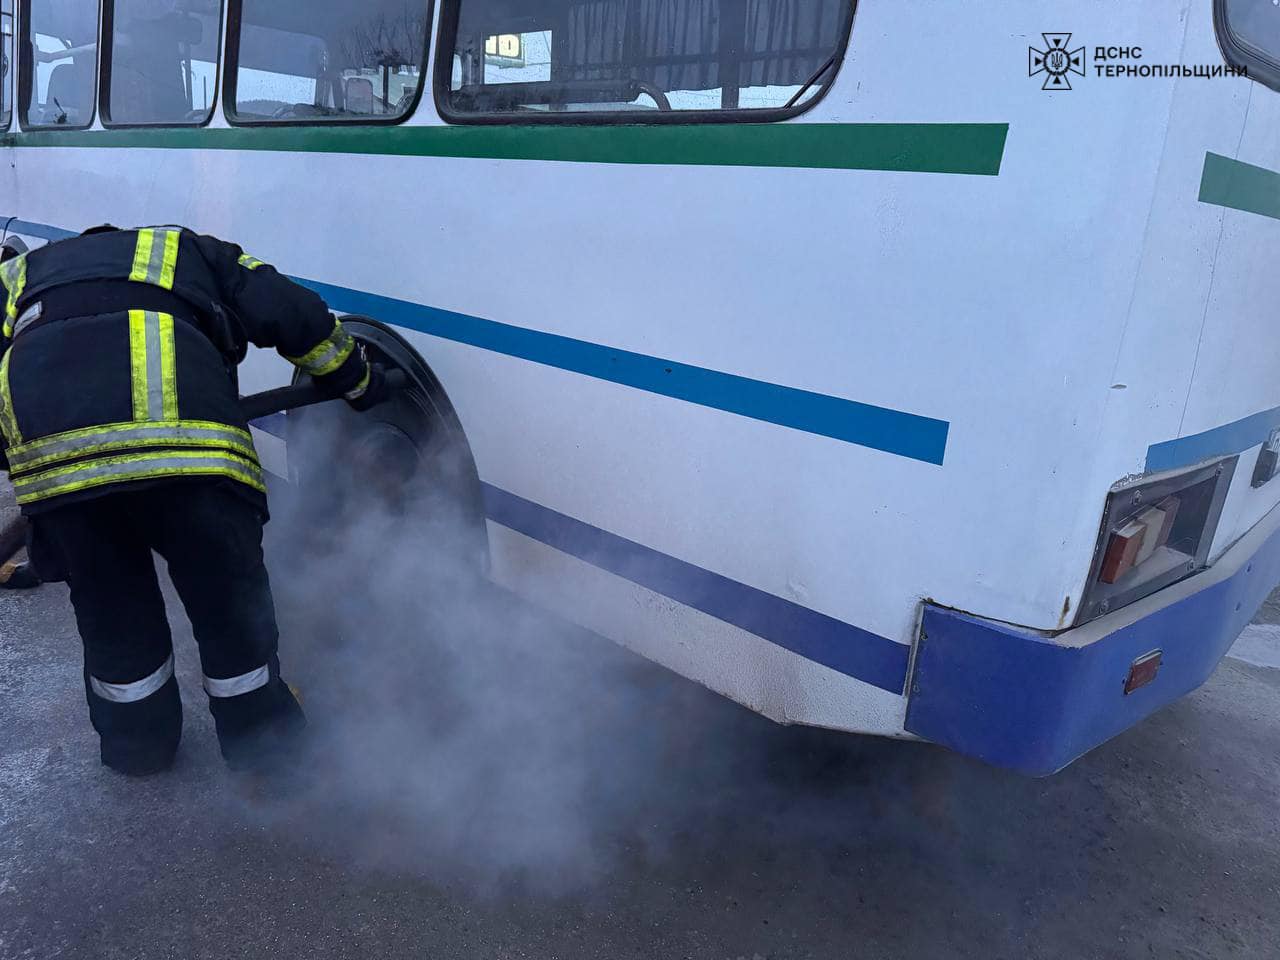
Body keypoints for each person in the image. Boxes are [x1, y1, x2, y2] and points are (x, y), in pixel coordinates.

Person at [0, 225, 388, 776]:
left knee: (113, 614)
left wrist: (19, 449)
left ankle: (138, 749)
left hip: (63, 478)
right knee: (229, 607)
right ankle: (266, 754)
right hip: (196, 463)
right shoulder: (186, 251)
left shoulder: (15, 277)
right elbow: (292, 310)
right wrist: (359, 381)